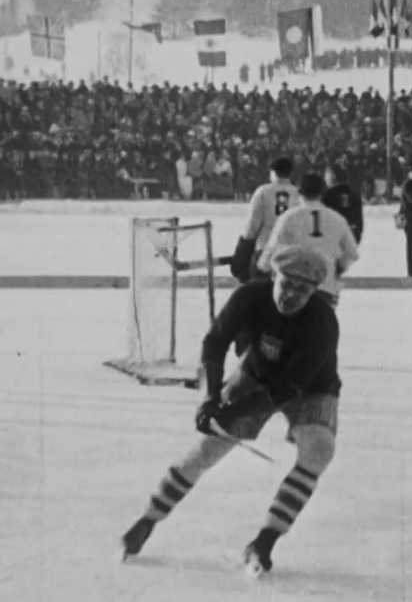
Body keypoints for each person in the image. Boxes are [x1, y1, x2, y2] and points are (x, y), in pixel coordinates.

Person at [119, 246, 342, 577]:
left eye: (303, 289)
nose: (292, 294)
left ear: (315, 292)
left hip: (311, 388)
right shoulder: (251, 296)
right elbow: (214, 342)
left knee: (319, 450)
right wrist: (210, 399)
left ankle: (265, 541)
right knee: (209, 446)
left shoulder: (322, 321)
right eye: (287, 284)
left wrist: (233, 410)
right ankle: (147, 519)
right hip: (256, 375)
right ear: (273, 277)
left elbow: (288, 387)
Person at [257, 173, 360, 308]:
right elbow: (352, 253)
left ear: (299, 192)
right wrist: (337, 269)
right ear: (323, 192)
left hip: (294, 288)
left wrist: (264, 269)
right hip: (326, 287)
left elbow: (271, 251)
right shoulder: (337, 219)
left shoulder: (289, 217)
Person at [230, 157, 298, 283]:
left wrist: (242, 251)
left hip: (266, 248)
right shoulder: (298, 194)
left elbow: (252, 226)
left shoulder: (263, 191)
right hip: (291, 250)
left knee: (259, 291)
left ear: (273, 172)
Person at [322, 164, 364, 244]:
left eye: (326, 175)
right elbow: (359, 224)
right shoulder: (355, 195)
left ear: (333, 176)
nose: (325, 178)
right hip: (351, 241)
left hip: (332, 242)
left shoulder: (327, 196)